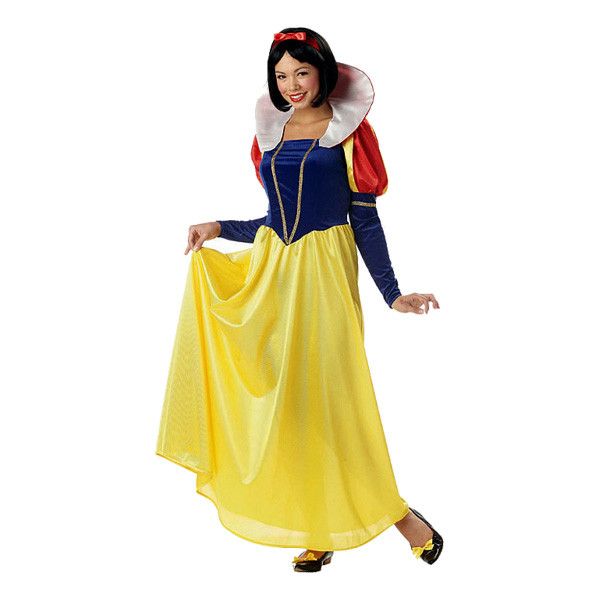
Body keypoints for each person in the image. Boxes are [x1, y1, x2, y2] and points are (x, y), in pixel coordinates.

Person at [156, 27, 443, 573]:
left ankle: (406, 521)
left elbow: (364, 220)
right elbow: (274, 220)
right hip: (274, 274)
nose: (291, 84)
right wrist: (218, 226)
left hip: (325, 277)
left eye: (301, 72)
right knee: (289, 408)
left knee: (336, 405)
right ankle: (317, 526)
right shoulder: (272, 131)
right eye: (282, 74)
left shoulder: (351, 132)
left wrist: (392, 292)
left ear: (322, 72)